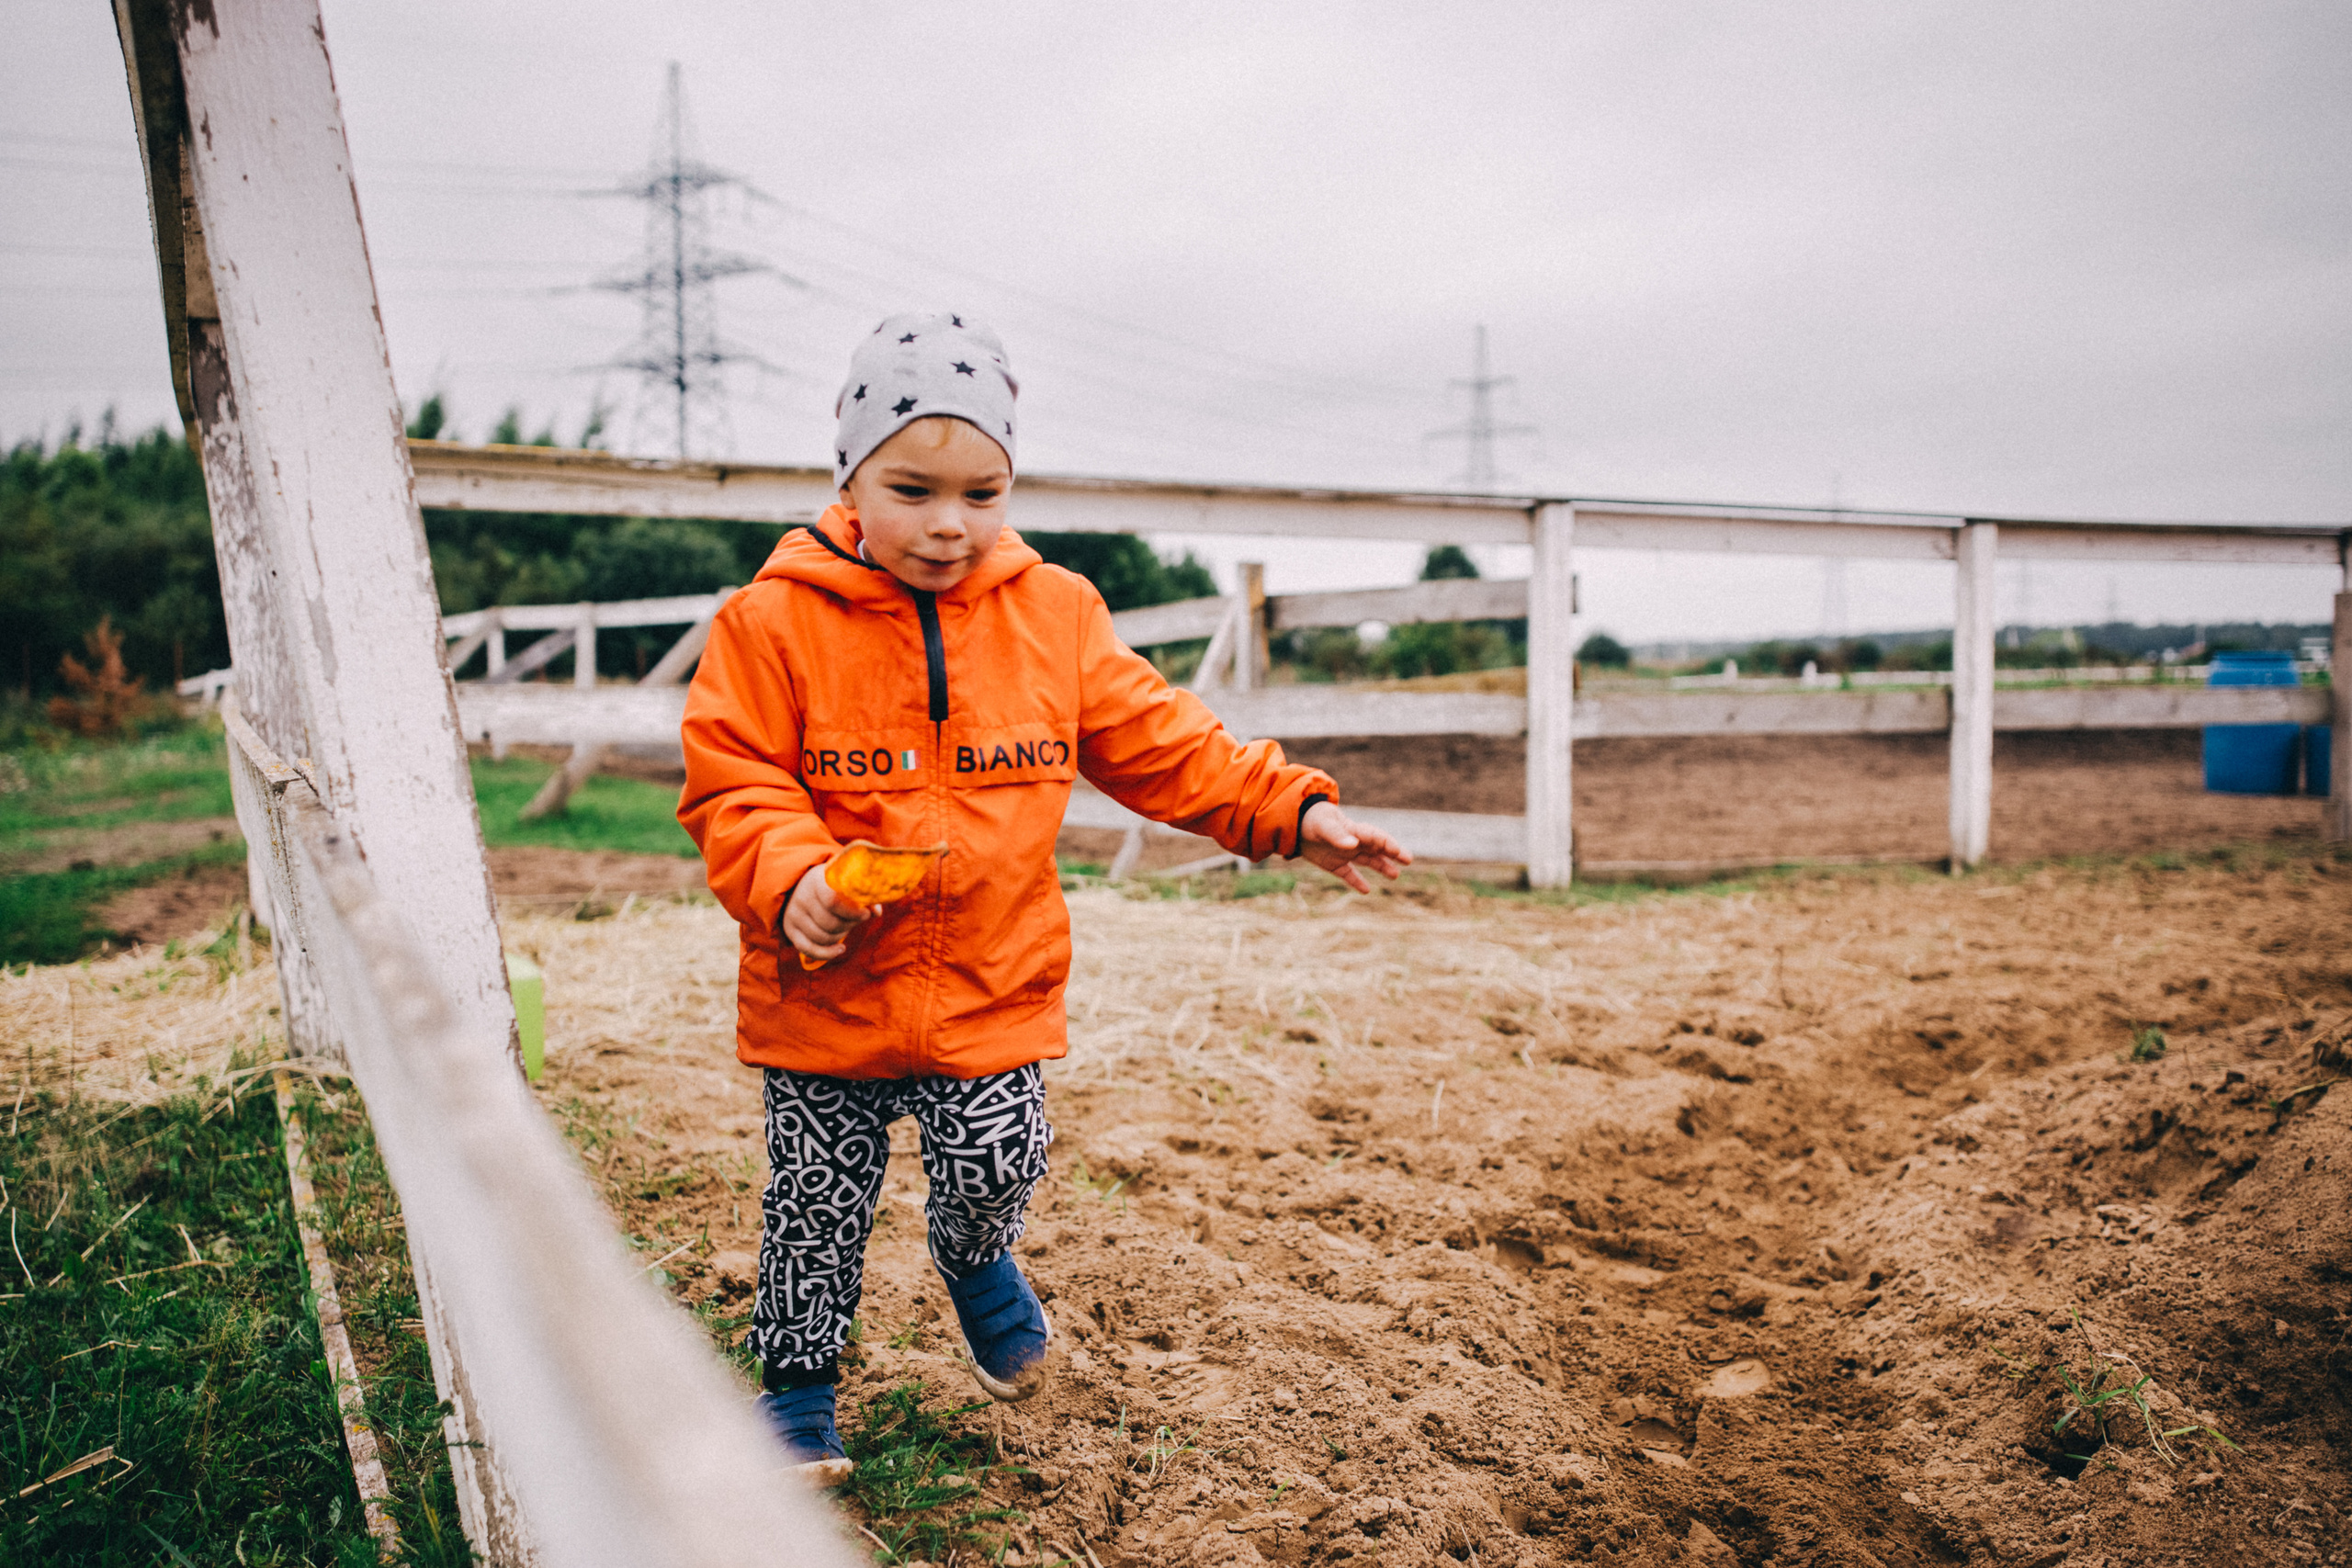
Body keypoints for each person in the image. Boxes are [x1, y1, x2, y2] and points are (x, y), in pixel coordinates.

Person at [678, 312, 1410, 1480]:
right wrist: (792, 881)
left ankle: (977, 1263)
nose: (950, 522)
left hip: (990, 980)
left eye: (985, 491)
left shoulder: (1054, 615)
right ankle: (800, 1392)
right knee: (815, 1208)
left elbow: (1166, 743)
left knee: (995, 1160)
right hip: (825, 992)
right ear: (850, 475)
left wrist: (1290, 812)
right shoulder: (770, 623)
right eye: (913, 489)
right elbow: (734, 781)